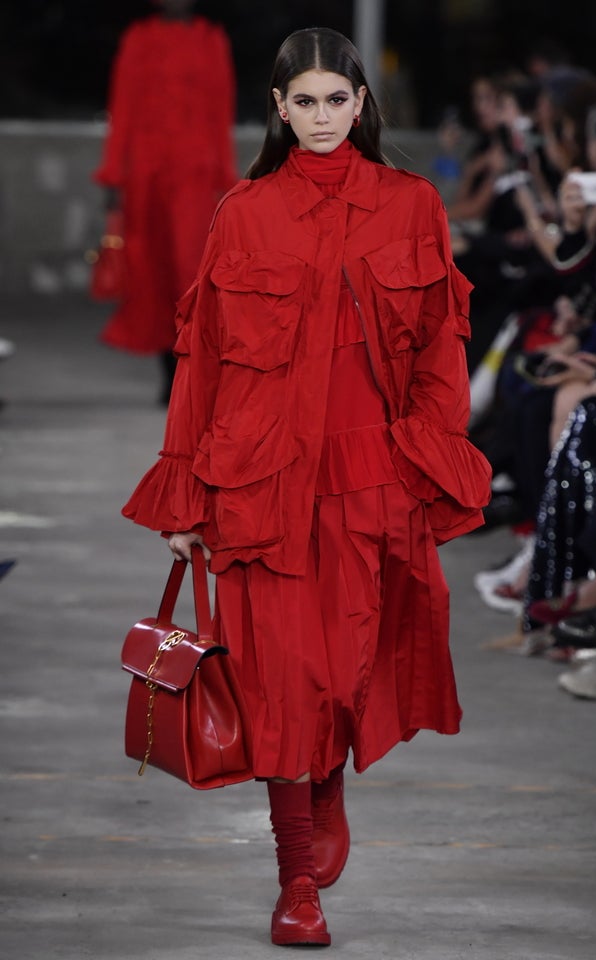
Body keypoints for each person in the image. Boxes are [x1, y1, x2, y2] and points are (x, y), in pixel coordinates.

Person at [122, 27, 491, 947]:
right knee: (281, 682)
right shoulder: (242, 213)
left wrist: (431, 459)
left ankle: (326, 783)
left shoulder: (412, 206)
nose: (322, 118)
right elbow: (201, 362)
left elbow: (443, 353)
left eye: (337, 99)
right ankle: (297, 886)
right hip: (259, 479)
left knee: (345, 673)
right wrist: (184, 501)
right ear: (278, 112)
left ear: (361, 104)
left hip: (372, 476)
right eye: (304, 102)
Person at [93, 0, 237, 402]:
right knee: (152, 271)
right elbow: (122, 109)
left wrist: (226, 180)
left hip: (195, 173)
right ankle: (170, 374)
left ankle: (192, 368)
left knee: (190, 270)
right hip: (146, 173)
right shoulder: (138, 39)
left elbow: (220, 112)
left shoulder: (211, 40)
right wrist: (113, 176)